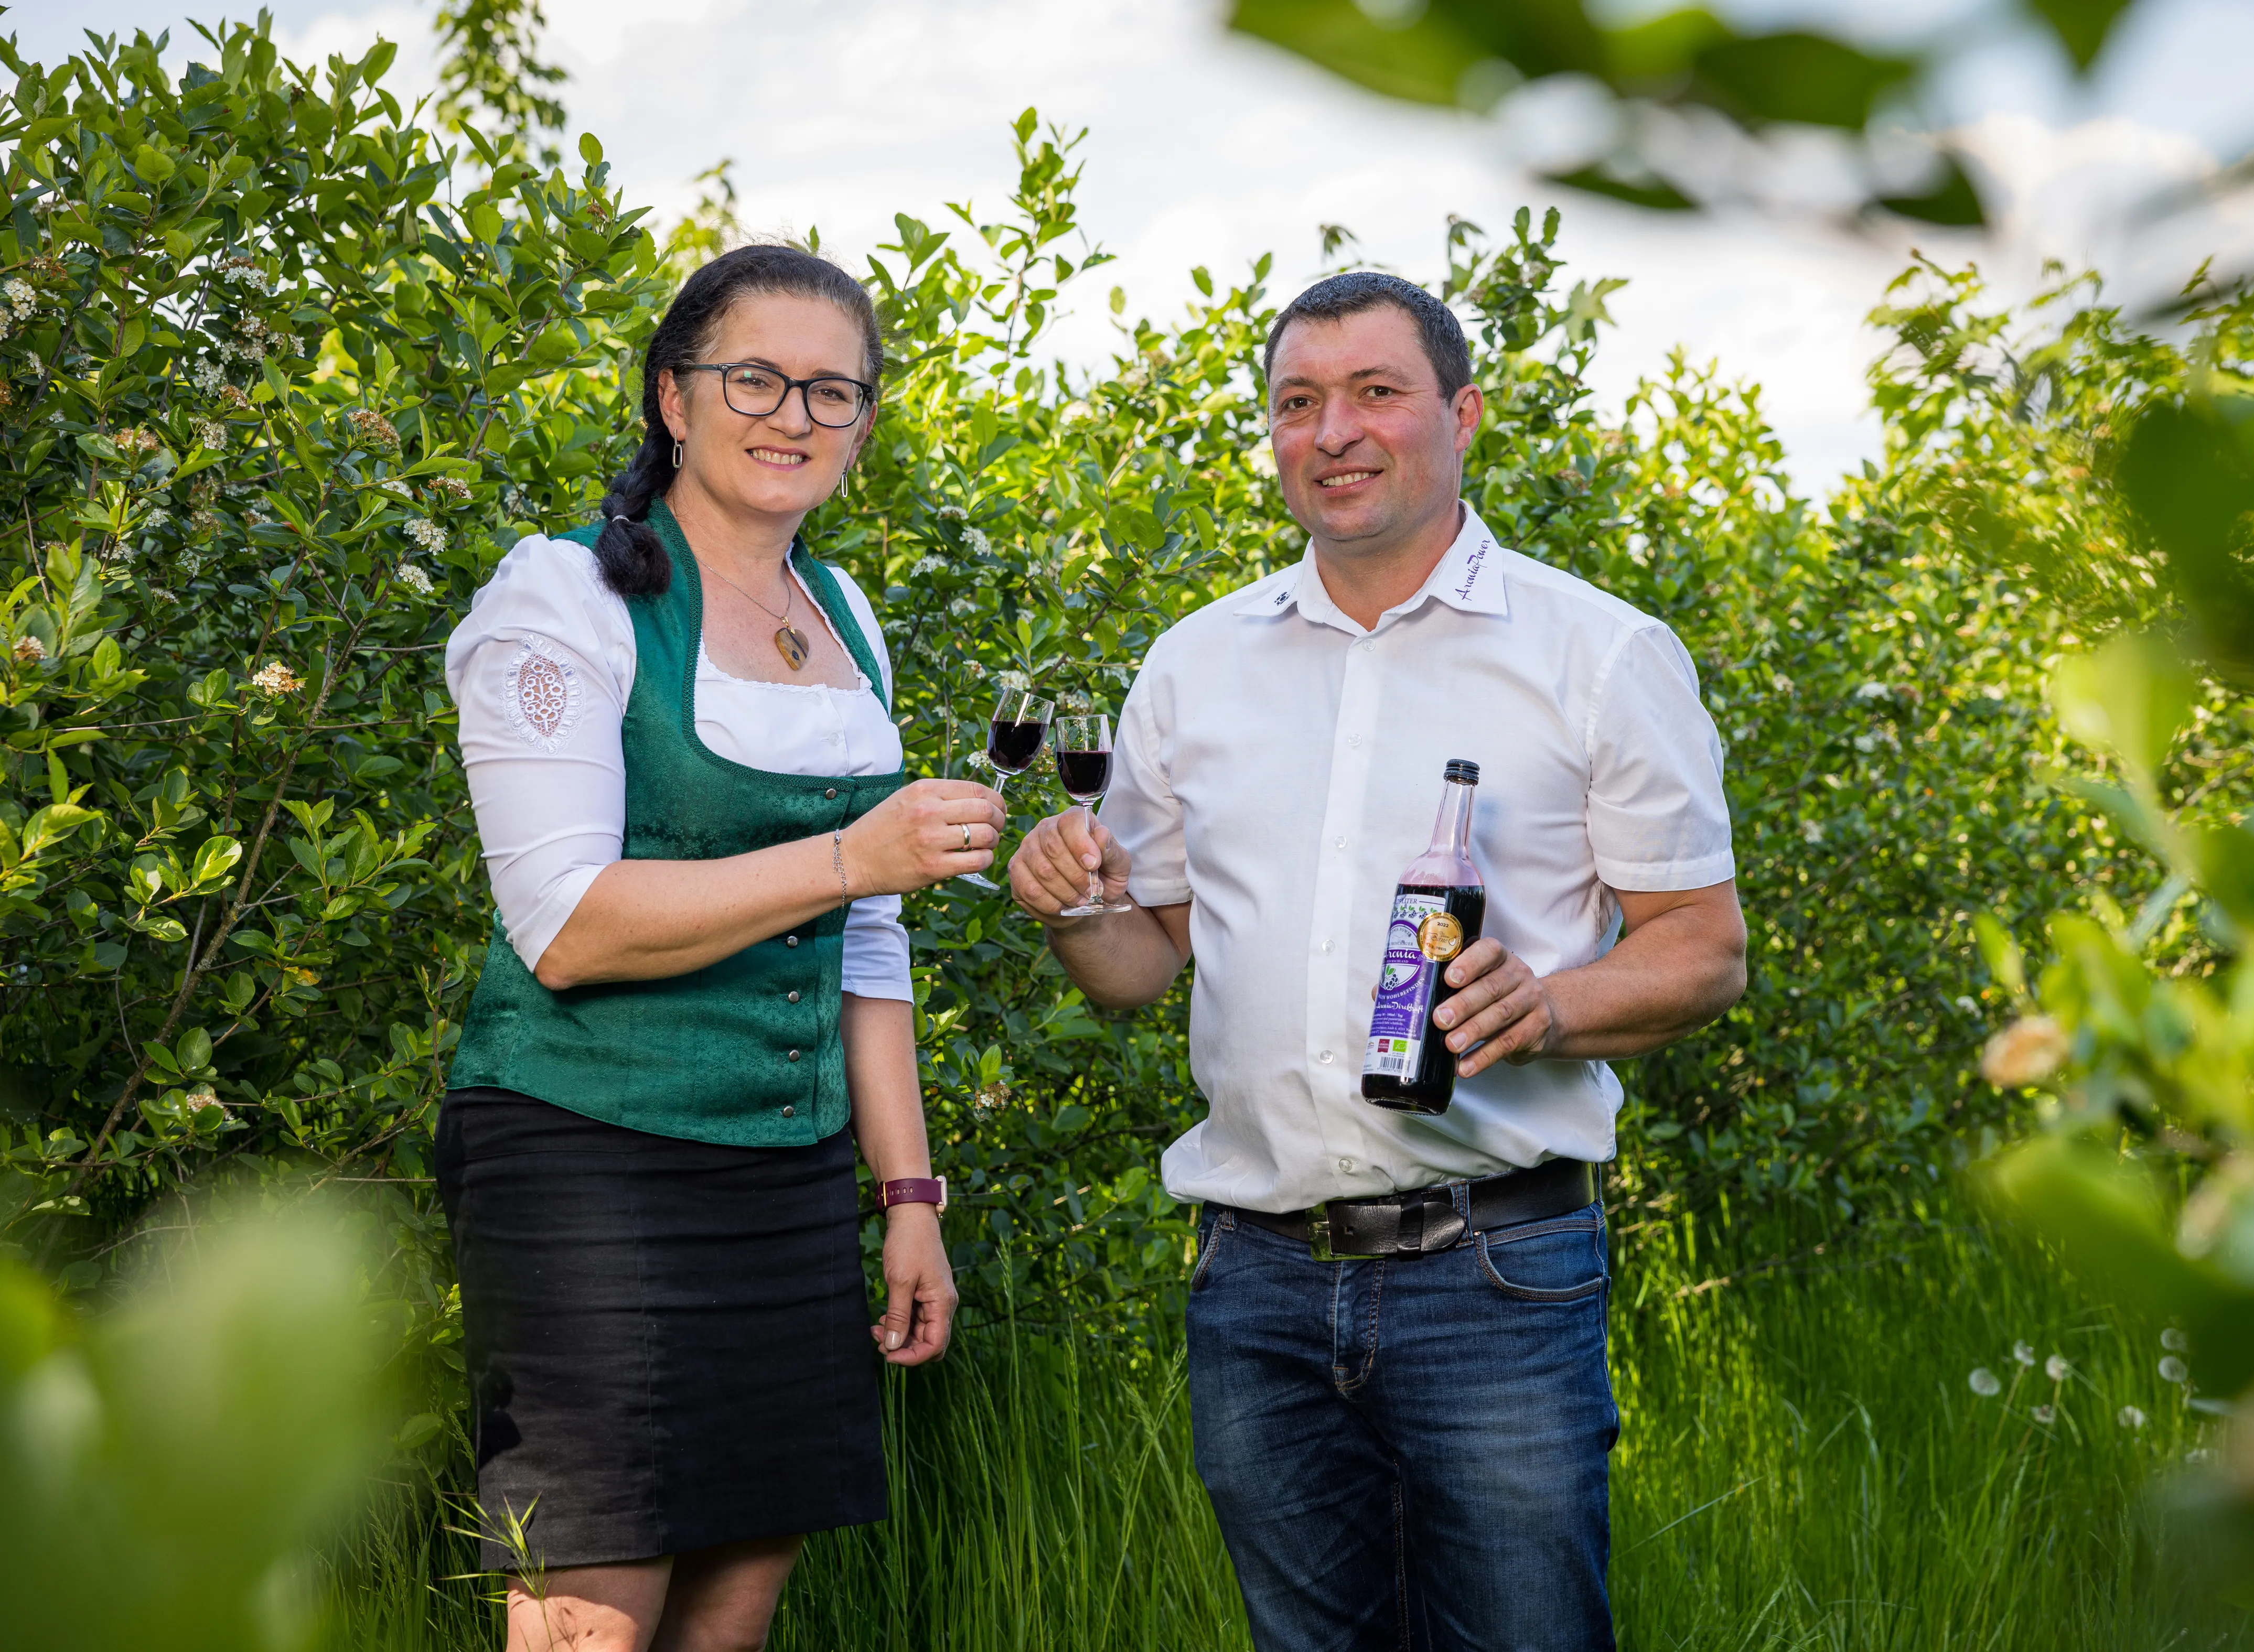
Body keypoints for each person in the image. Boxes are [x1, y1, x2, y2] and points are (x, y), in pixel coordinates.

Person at [1008, 271, 1747, 1651]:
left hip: (1497, 1266)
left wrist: (1549, 999)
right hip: (1254, 1276)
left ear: (1460, 415)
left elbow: (1704, 956)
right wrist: (1068, 905)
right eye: (1297, 403)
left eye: (1373, 393)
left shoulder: (1596, 653)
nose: (1330, 431)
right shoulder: (1194, 664)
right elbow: (1138, 966)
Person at [436, 243, 1004, 1652]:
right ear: (672, 397)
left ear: (864, 426)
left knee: (735, 1608)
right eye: (754, 375)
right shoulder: (564, 600)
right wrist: (849, 853)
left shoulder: (848, 618)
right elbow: (562, 926)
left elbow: (864, 949)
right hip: (586, 1150)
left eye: (832, 391)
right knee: (589, 1614)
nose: (793, 414)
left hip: (789, 1175)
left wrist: (909, 1192)